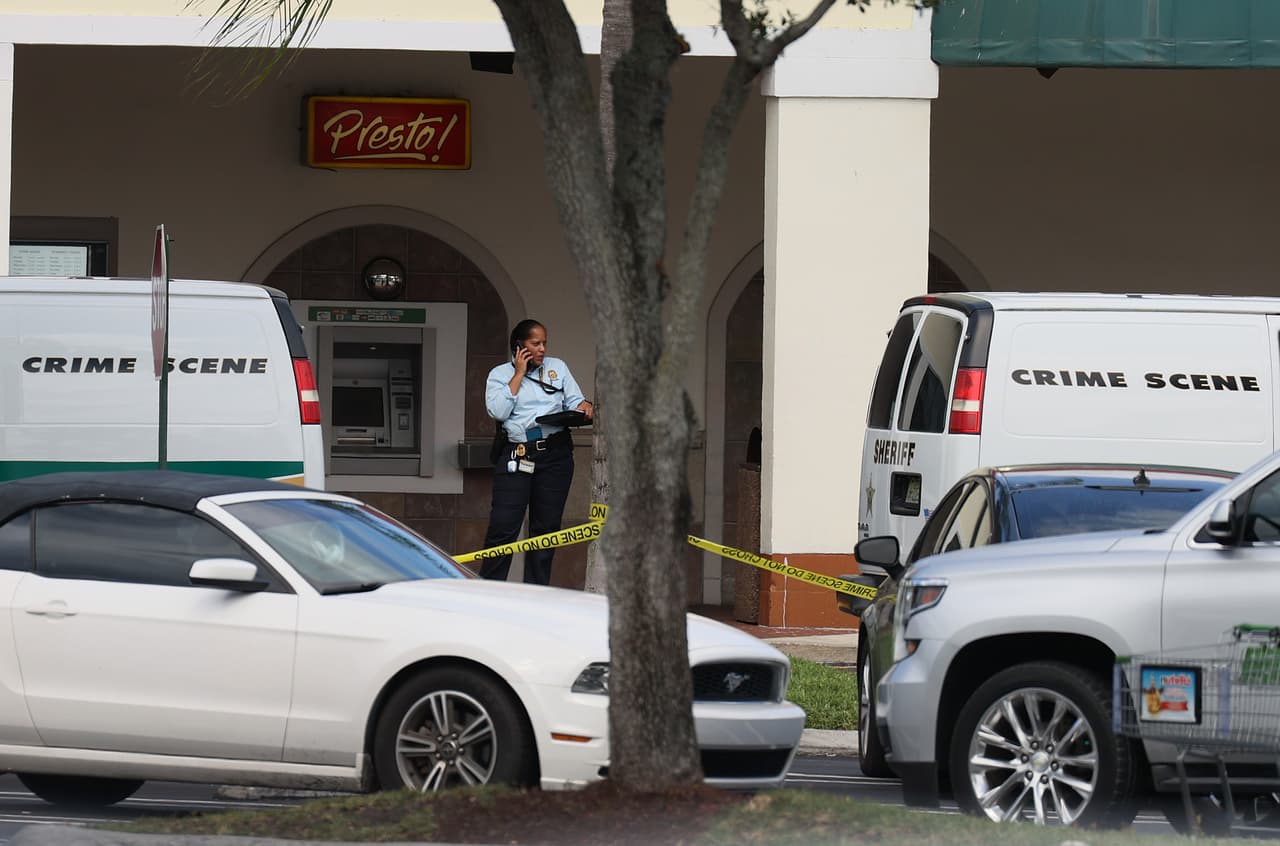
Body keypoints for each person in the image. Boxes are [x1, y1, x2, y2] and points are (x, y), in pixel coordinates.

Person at [481, 319, 593, 585]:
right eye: (535, 343)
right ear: (519, 346)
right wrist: (519, 374)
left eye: (544, 343)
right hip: (518, 454)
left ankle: (537, 592)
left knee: (546, 530)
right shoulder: (500, 374)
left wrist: (584, 407)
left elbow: (575, 400)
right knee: (503, 527)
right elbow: (498, 411)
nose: (542, 349)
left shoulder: (558, 367)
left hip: (555, 455)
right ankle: (489, 591)